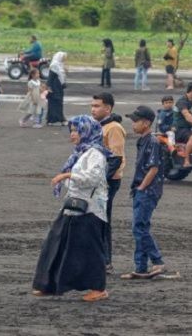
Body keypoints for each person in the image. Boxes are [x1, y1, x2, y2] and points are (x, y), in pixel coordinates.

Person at [32, 115, 111, 302]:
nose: (73, 135)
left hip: (90, 210)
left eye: (76, 131)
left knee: (90, 250)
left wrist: (67, 175)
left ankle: (98, 289)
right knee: (56, 244)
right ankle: (49, 284)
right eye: (72, 131)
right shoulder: (81, 152)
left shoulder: (96, 154)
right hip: (74, 207)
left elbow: (90, 179)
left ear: (86, 132)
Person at [122, 106, 167, 280]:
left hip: (148, 190)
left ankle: (157, 261)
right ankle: (140, 267)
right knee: (140, 227)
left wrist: (141, 187)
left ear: (146, 123)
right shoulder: (143, 140)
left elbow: (153, 168)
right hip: (142, 189)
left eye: (136, 121)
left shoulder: (152, 142)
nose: (133, 124)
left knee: (139, 227)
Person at [90, 92, 126, 274]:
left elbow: (116, 159)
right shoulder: (100, 125)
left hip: (108, 181)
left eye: (97, 106)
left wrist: (98, 180)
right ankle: (100, 260)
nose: (93, 109)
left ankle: (105, 262)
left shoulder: (113, 128)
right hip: (100, 180)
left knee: (102, 221)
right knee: (96, 220)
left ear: (108, 108)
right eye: (92, 106)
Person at [173, 82, 192, 168]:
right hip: (179, 128)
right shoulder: (182, 101)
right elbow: (187, 115)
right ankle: (186, 160)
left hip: (190, 127)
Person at [46, 52, 67, 126]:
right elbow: (50, 77)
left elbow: (62, 76)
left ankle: (59, 119)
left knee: (59, 103)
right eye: (63, 57)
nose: (64, 59)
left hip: (59, 87)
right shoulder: (54, 65)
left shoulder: (60, 65)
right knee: (54, 103)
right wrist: (48, 87)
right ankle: (52, 120)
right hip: (54, 87)